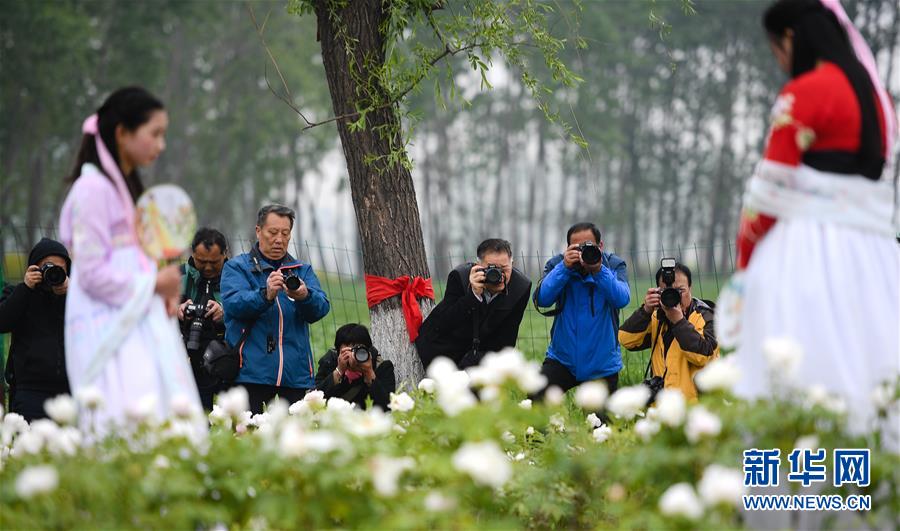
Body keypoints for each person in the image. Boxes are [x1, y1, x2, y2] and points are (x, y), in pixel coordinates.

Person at [727, 0, 898, 433]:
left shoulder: (805, 92)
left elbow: (770, 188)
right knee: (868, 364)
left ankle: (796, 491)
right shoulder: (879, 102)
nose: (782, 62)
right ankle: (867, 484)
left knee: (799, 365)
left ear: (790, 37)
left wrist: (745, 257)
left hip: (807, 249)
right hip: (875, 254)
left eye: (777, 50)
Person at [58, 87, 204, 433]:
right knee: (125, 419)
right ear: (122, 133)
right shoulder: (92, 191)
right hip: (109, 328)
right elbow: (91, 274)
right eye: (154, 133)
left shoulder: (123, 189)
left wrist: (164, 287)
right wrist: (153, 283)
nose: (161, 144)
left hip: (138, 321)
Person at [221, 204, 330, 414]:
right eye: (272, 232)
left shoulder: (301, 270)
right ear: (258, 231)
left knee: (295, 443)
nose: (279, 239)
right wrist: (265, 294)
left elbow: (321, 308)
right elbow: (234, 305)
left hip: (295, 377)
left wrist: (305, 296)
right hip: (251, 375)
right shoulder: (237, 267)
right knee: (248, 439)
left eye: (285, 233)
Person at [532, 222, 630, 397]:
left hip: (602, 364)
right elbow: (543, 299)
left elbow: (622, 299)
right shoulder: (557, 264)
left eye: (589, 246)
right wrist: (564, 268)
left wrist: (599, 270)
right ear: (568, 248)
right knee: (535, 402)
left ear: (600, 246)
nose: (584, 252)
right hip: (563, 359)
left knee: (600, 424)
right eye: (577, 247)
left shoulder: (614, 264)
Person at [415, 238, 531, 369]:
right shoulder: (460, 277)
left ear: (512, 264)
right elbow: (444, 323)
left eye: (504, 268)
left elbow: (506, 341)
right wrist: (473, 296)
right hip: (443, 349)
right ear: (478, 265)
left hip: (479, 356)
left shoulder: (521, 288)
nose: (498, 275)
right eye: (491, 269)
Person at [619, 262, 718, 402]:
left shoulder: (706, 316)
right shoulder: (656, 317)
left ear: (690, 288)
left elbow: (703, 356)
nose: (674, 297)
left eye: (680, 291)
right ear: (658, 292)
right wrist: (645, 310)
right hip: (662, 408)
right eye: (667, 292)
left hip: (695, 407)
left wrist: (678, 321)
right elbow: (626, 339)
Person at [0, 238, 72, 422]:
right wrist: (25, 288)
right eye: (48, 267)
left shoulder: (74, 299)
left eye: (60, 269)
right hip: (30, 391)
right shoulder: (18, 294)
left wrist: (70, 295)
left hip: (68, 392)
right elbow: (3, 322)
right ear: (34, 269)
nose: (54, 272)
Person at [177, 228, 228, 410]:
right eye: (201, 261)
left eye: (214, 262)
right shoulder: (178, 276)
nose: (207, 267)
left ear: (225, 254)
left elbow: (249, 309)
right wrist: (177, 310)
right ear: (192, 253)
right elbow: (155, 310)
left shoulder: (237, 278)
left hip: (226, 361)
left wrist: (225, 312)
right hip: (185, 361)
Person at [315, 324, 395, 410]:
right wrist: (339, 371)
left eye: (358, 351)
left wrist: (369, 372)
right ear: (338, 352)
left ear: (368, 350)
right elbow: (314, 399)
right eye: (347, 351)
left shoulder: (382, 367)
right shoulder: (329, 362)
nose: (353, 356)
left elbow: (387, 407)